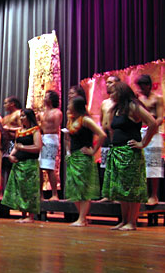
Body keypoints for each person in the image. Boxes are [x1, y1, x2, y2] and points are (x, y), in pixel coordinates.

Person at [102, 81, 157, 231]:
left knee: (132, 188)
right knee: (121, 188)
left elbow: (152, 123)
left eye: (113, 92)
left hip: (130, 152)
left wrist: (143, 143)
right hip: (117, 151)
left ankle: (132, 221)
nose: (110, 94)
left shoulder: (133, 106)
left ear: (121, 92)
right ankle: (124, 220)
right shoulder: (117, 109)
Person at [65, 96, 106, 226]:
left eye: (70, 104)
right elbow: (68, 139)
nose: (68, 106)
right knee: (74, 188)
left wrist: (93, 151)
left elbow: (102, 134)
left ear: (76, 106)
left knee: (83, 188)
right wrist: (68, 151)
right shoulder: (72, 120)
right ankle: (83, 216)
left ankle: (82, 219)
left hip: (83, 158)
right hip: (74, 156)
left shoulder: (86, 120)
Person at [2, 109, 42, 223]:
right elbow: (16, 146)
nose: (21, 118)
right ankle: (23, 214)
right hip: (18, 164)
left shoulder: (35, 130)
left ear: (29, 117)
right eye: (21, 116)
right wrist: (11, 155)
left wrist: (23, 148)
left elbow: (38, 147)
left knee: (30, 190)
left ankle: (30, 216)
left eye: (23, 116)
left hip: (30, 164)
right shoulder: (19, 131)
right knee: (20, 189)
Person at [136, 74, 164, 206]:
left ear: (149, 86)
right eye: (140, 87)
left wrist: (152, 127)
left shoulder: (157, 98)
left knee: (154, 164)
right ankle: (143, 194)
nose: (142, 89)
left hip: (154, 133)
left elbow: (160, 117)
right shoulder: (138, 98)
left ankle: (154, 195)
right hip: (140, 131)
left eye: (143, 86)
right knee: (140, 164)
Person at [98, 75, 120, 201]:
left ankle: (116, 194)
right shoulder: (104, 103)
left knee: (116, 165)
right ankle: (106, 194)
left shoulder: (120, 103)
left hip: (116, 135)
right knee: (105, 166)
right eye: (106, 82)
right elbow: (101, 120)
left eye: (110, 82)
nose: (107, 85)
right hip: (106, 135)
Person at [39, 90, 63, 200]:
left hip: (51, 138)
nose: (44, 98)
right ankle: (40, 194)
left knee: (49, 167)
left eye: (47, 96)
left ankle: (54, 194)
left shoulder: (57, 112)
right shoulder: (42, 112)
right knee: (39, 167)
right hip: (42, 137)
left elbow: (56, 127)